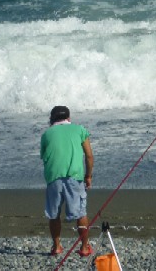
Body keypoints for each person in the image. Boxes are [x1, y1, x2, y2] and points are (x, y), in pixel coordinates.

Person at [40, 106, 94, 257]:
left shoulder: (46, 134)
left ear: (52, 119)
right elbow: (89, 156)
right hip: (74, 176)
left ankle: (56, 246)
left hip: (53, 177)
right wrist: (88, 176)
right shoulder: (80, 130)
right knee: (81, 212)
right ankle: (84, 247)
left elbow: (44, 158)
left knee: (54, 214)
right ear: (68, 118)